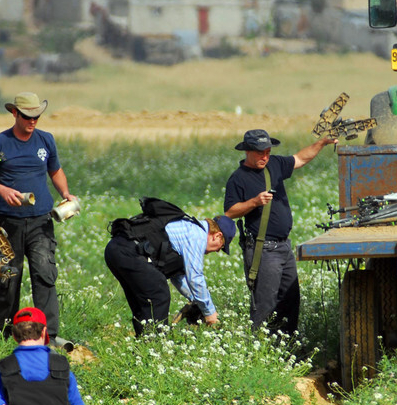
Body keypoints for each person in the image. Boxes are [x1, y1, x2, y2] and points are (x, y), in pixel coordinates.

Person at [0, 92, 77, 347]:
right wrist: (1, 190)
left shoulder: (46, 140)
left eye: (37, 116)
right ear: (15, 114)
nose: (33, 121)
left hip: (41, 221)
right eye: (27, 116)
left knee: (45, 274)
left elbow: (55, 170)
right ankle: (3, 333)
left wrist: (65, 193)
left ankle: (49, 335)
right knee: (7, 278)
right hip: (6, 223)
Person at [224, 129, 337, 334]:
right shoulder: (237, 179)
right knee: (265, 303)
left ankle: (287, 345)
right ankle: (260, 346)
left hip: (284, 247)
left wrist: (322, 143)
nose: (265, 156)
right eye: (260, 153)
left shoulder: (273, 164)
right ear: (247, 151)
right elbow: (230, 212)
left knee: (290, 298)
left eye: (267, 151)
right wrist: (254, 202)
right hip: (263, 250)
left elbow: (300, 158)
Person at [104, 201, 237, 336]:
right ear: (217, 236)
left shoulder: (188, 227)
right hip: (129, 251)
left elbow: (178, 276)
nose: (217, 252)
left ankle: (145, 344)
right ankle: (154, 345)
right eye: (221, 247)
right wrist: (210, 313)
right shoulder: (197, 236)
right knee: (158, 293)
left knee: (145, 300)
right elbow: (195, 278)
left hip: (115, 249)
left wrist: (196, 301)